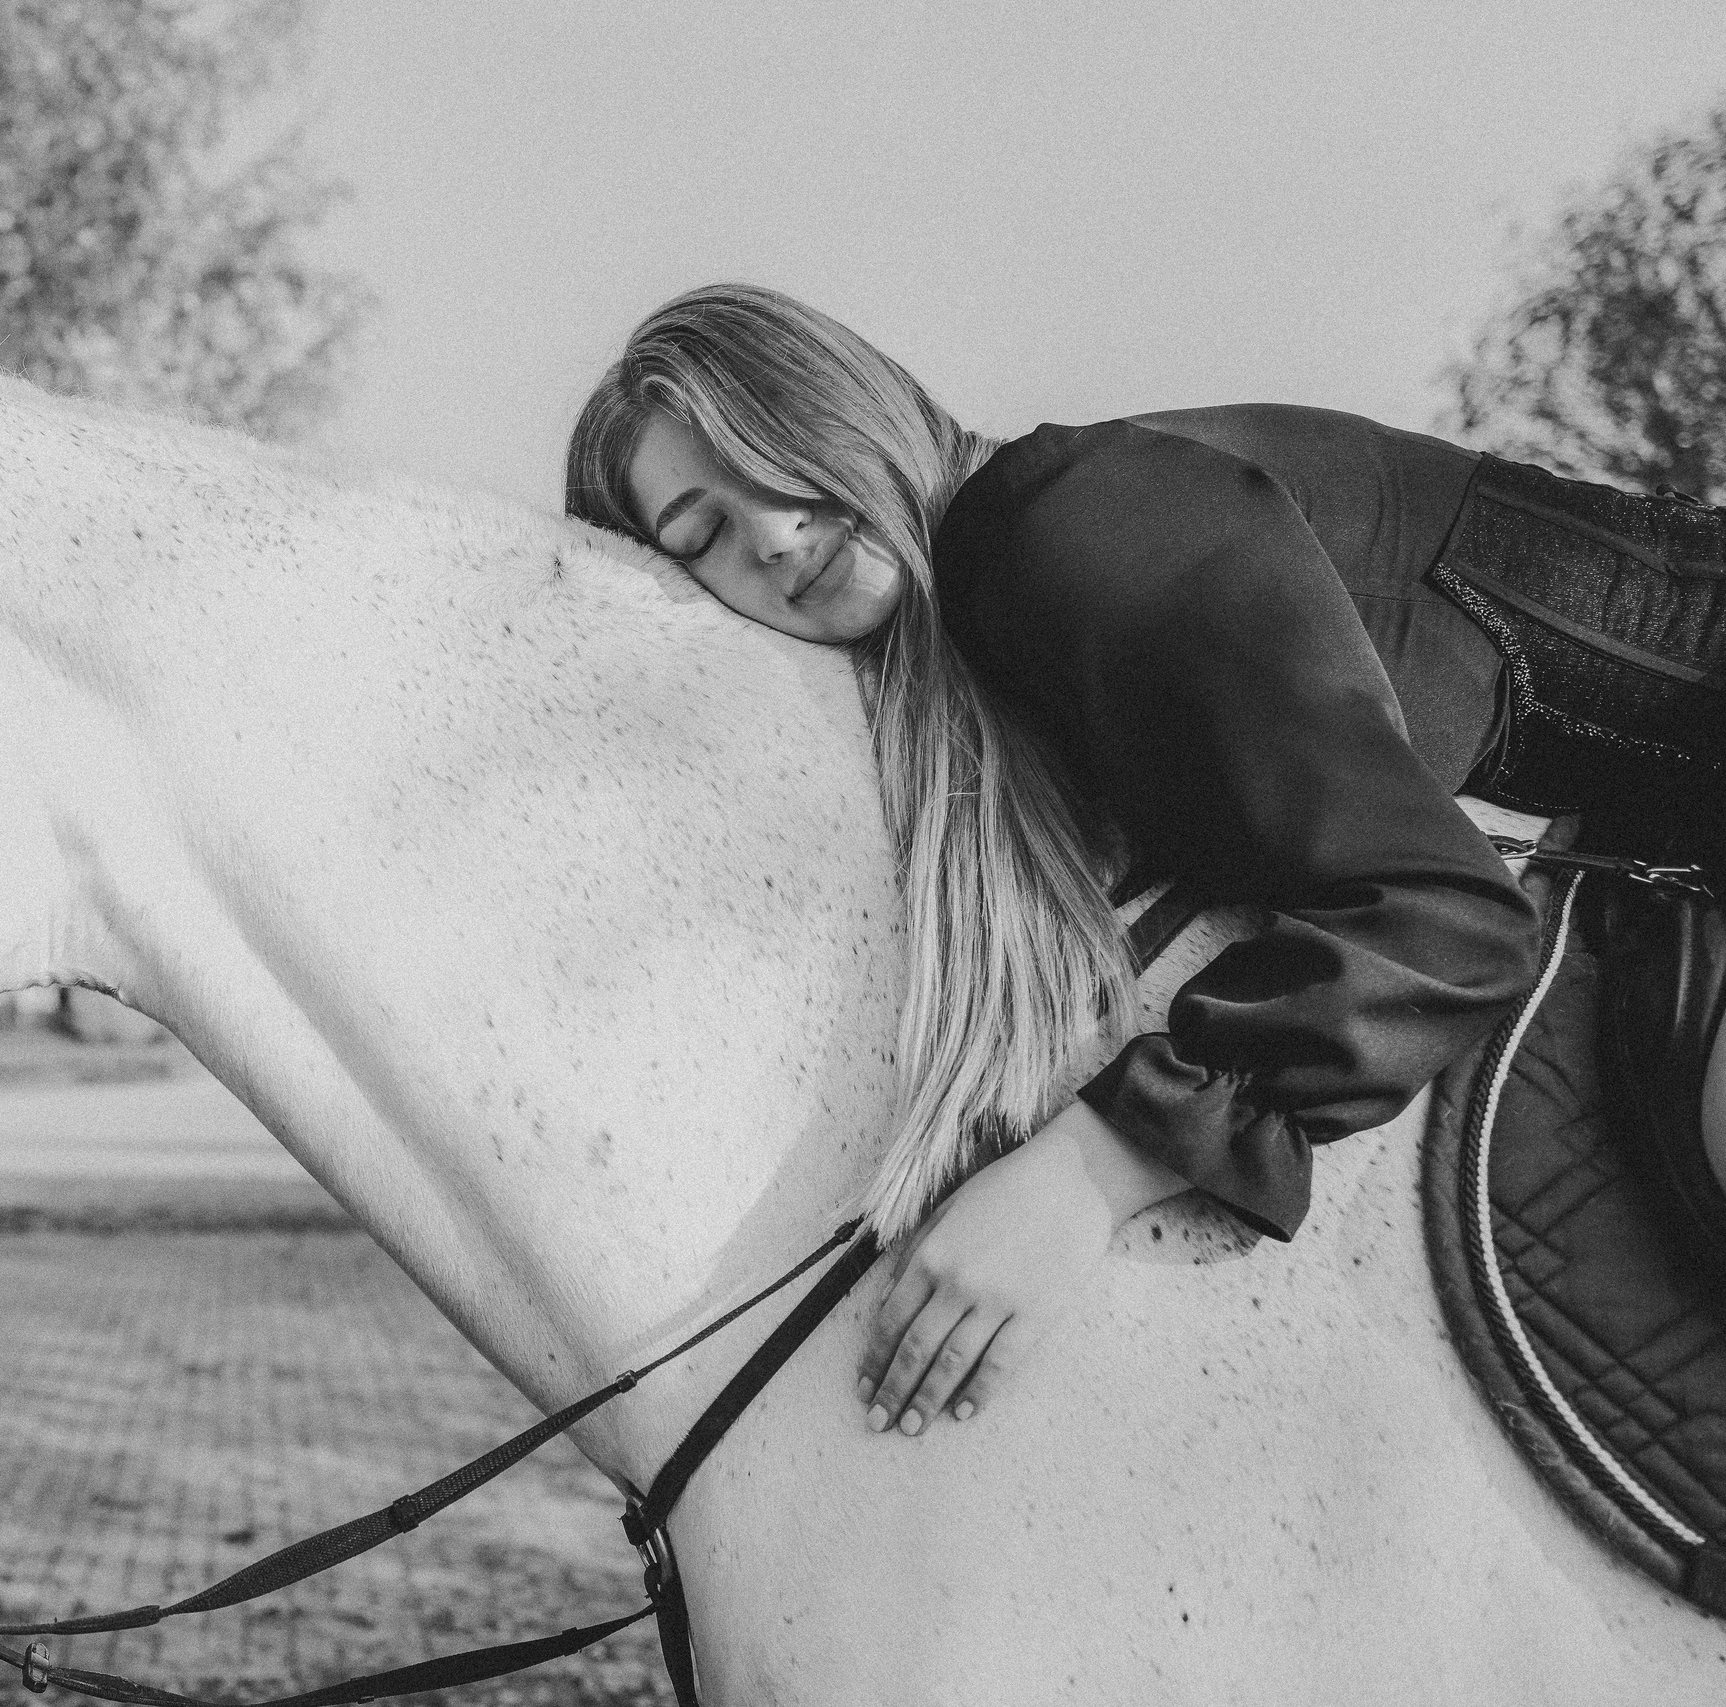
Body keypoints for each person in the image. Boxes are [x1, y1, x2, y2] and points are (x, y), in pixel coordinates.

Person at [565, 283, 1726, 1440]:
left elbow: (1438, 914)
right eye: (704, 537)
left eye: (770, 458)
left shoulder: (1064, 529)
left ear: (844, 403)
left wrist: (1089, 1173)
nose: (770, 536)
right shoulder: (981, 648)